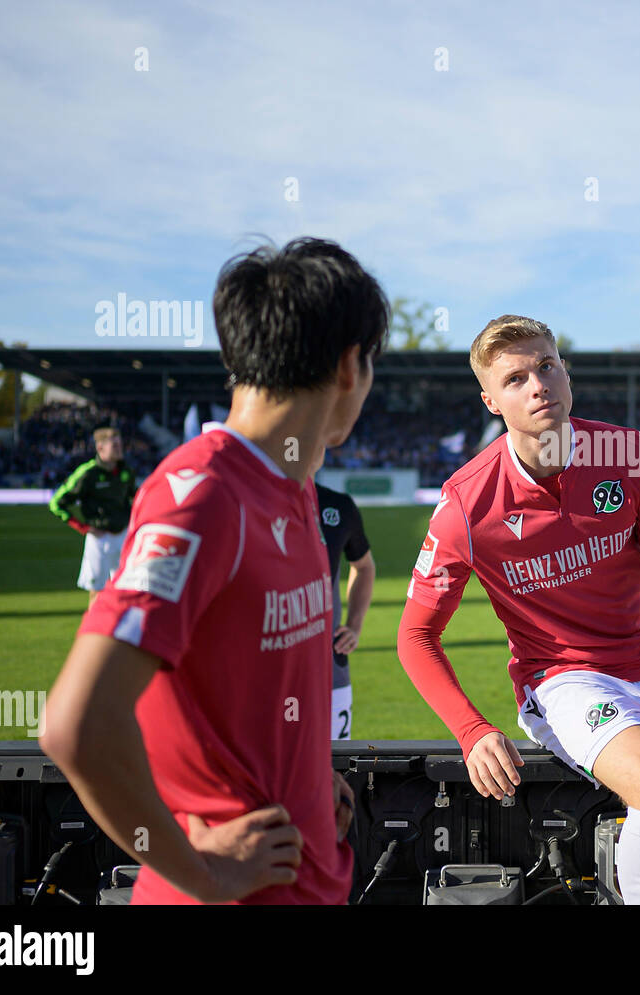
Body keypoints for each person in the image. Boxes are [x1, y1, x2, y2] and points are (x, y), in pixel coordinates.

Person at [40, 237, 389, 903]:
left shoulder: (296, 486)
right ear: (351, 366)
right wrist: (203, 874)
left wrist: (312, 775)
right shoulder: (203, 495)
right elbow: (73, 724)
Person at [396, 314, 640, 905]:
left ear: (565, 371)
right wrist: (471, 731)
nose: (538, 385)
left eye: (546, 366)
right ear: (491, 401)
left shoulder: (631, 458)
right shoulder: (465, 507)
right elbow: (416, 636)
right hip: (562, 680)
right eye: (516, 378)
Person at [49, 424, 138, 605]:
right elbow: (56, 503)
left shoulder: (126, 471)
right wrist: (83, 527)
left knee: (127, 589)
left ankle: (120, 631)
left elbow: (136, 500)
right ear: (100, 448)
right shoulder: (87, 473)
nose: (120, 449)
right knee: (97, 593)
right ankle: (94, 629)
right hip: (99, 540)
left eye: (120, 445)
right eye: (115, 446)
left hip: (123, 536)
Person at [315, 477, 375, 740]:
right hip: (269, 673)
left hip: (332, 669)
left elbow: (364, 566)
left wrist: (354, 626)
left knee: (338, 766)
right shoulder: (254, 500)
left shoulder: (338, 507)